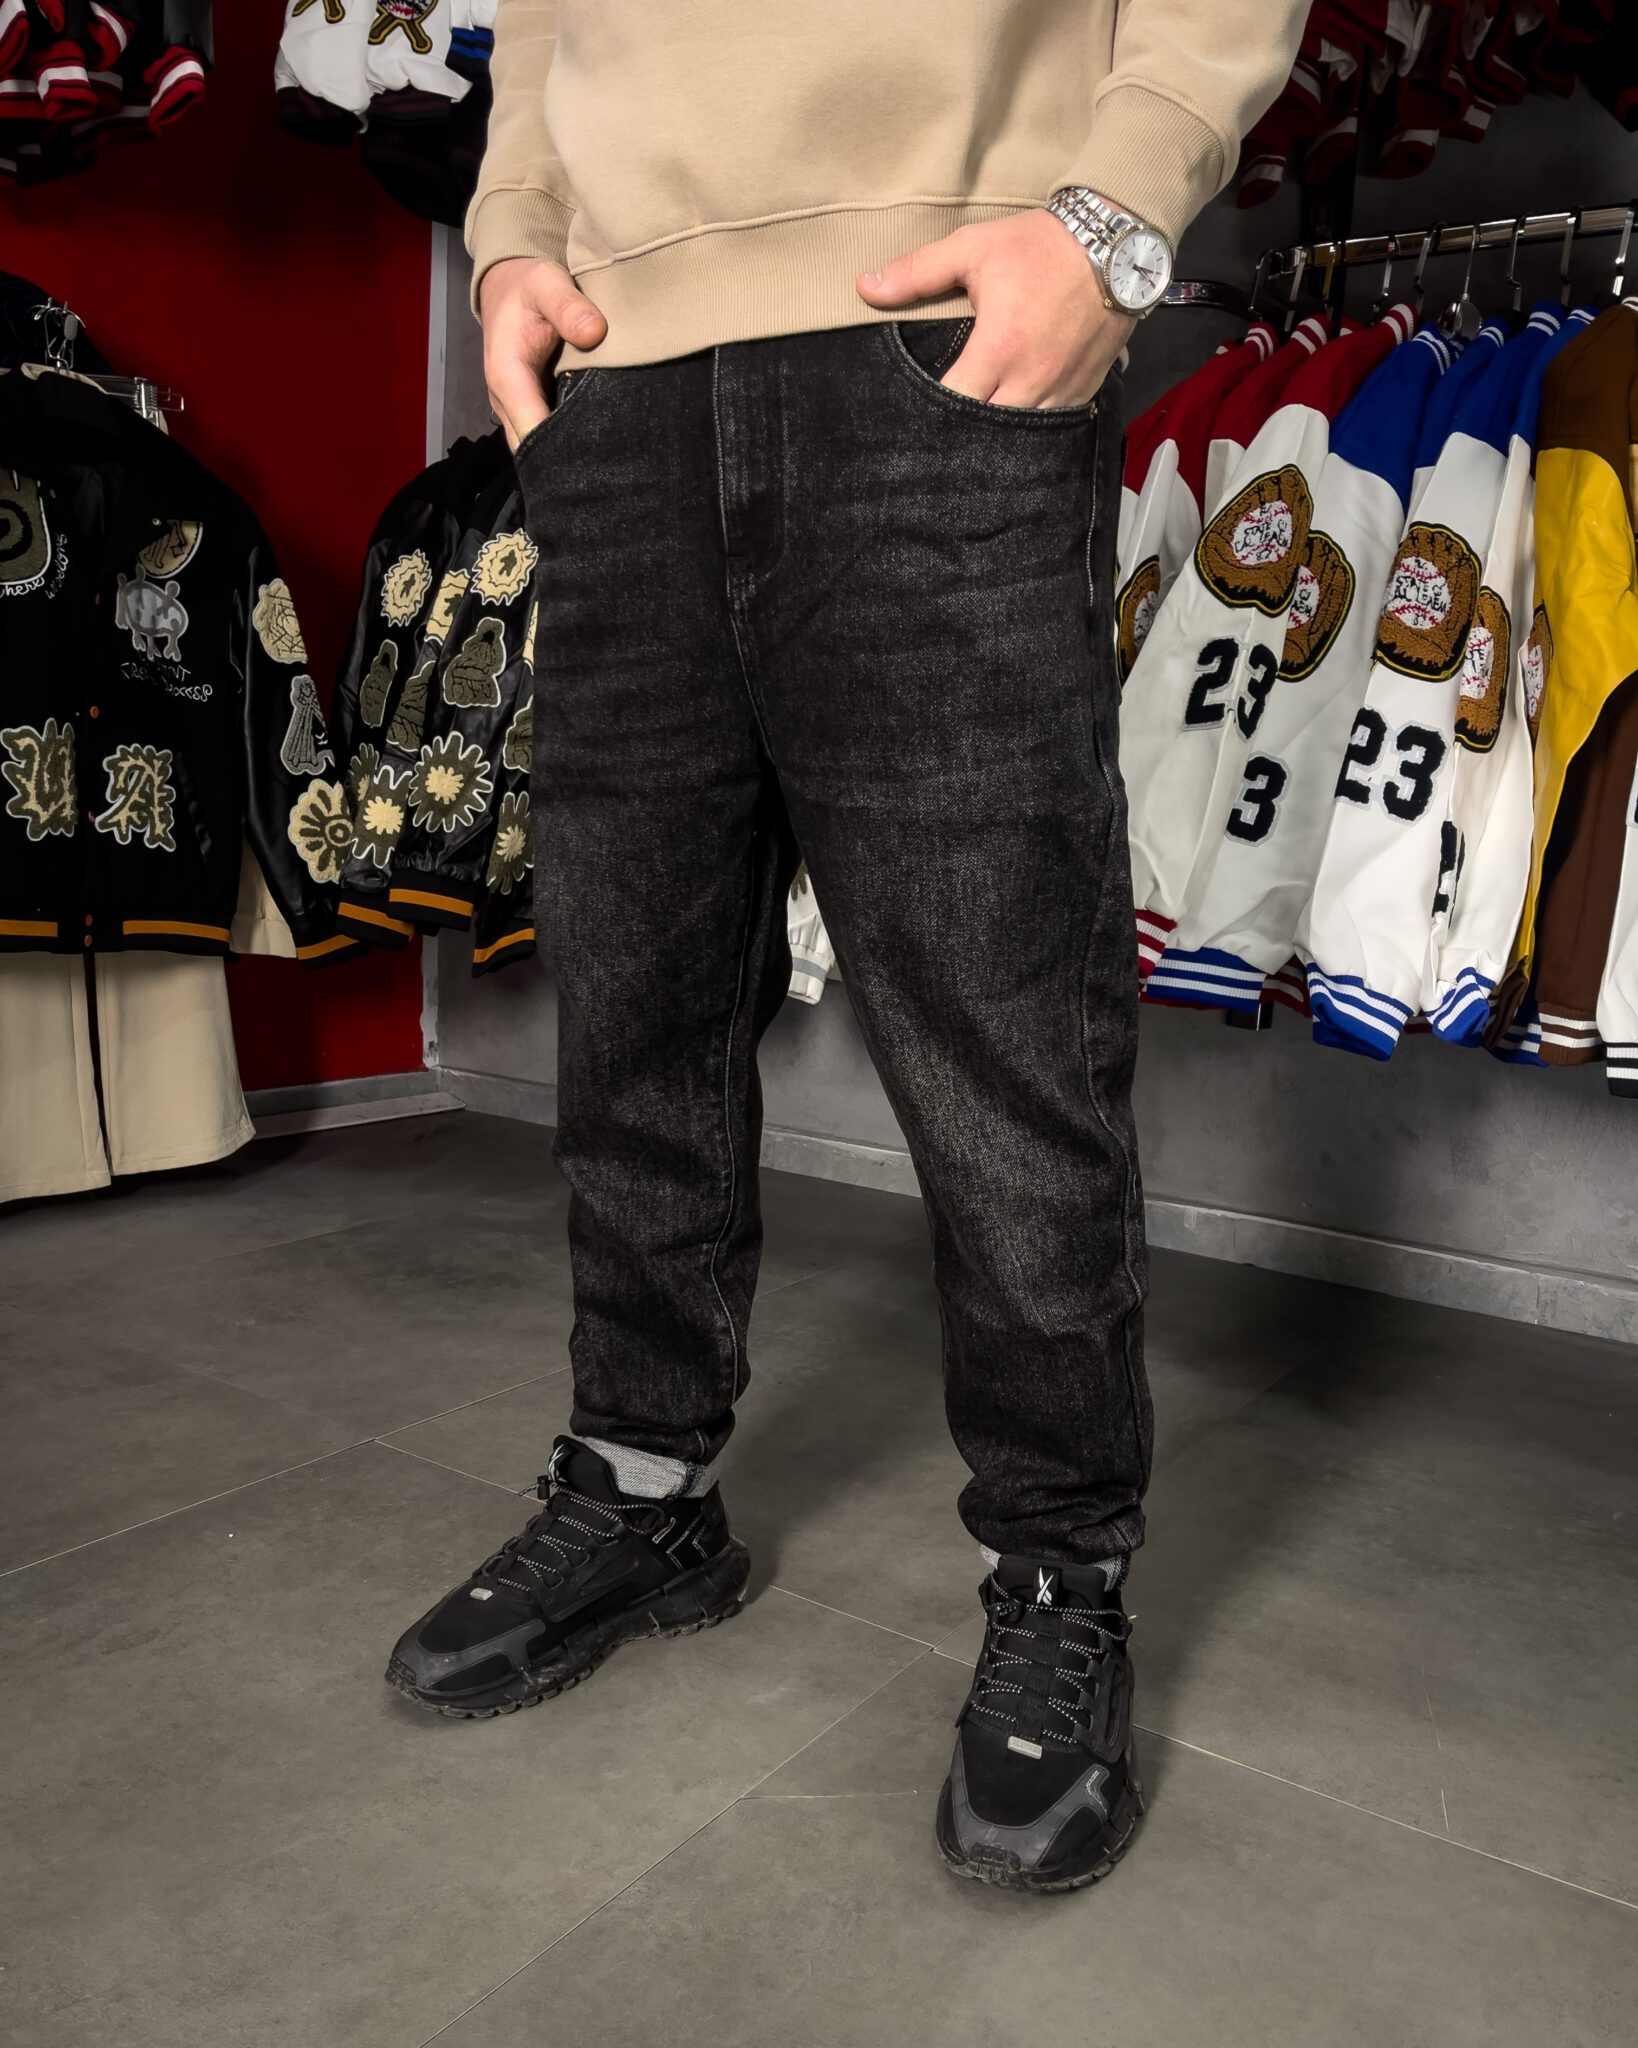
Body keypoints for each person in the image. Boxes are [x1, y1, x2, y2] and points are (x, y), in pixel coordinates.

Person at [387, 0, 1308, 1894]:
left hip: (935, 338)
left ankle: (1058, 1570)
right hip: (619, 380)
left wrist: (1111, 221)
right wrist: (510, 246)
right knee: (633, 1005)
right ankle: (642, 1492)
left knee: (998, 1025)